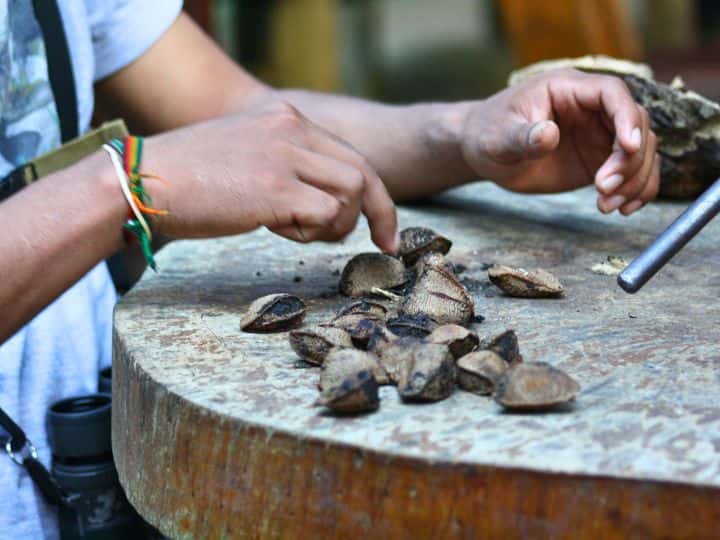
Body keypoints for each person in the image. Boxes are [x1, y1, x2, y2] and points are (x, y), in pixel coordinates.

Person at [0, 1, 658, 538]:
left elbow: (246, 117)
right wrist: (127, 185)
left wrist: (468, 134)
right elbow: (172, 163)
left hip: (84, 465)